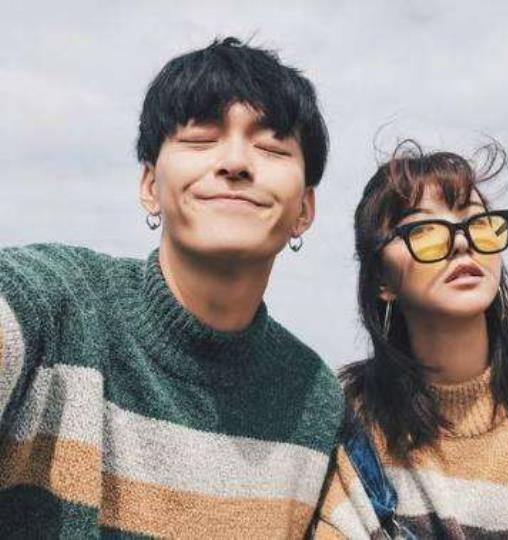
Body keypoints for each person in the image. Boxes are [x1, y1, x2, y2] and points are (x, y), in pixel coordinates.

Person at [0, 37, 344, 538]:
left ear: (305, 211)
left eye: (271, 147)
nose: (235, 163)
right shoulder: (55, 307)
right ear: (149, 186)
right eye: (201, 139)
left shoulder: (315, 398)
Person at [314, 141, 508, 539]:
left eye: (478, 223)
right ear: (381, 280)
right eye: (424, 230)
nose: (462, 242)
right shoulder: (343, 412)